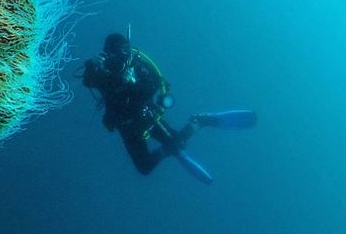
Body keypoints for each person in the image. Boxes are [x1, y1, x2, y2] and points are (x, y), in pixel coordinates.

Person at [83, 30, 255, 184]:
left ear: (128, 50)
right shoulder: (102, 71)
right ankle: (171, 147)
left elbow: (155, 86)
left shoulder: (137, 66)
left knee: (178, 143)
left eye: (124, 52)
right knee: (145, 167)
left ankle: (200, 121)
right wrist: (91, 66)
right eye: (114, 54)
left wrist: (133, 82)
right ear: (107, 54)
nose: (120, 58)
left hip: (146, 114)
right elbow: (88, 81)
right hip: (125, 124)